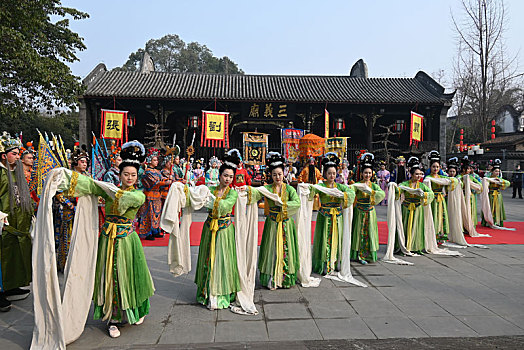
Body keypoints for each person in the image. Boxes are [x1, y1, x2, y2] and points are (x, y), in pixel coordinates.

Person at [57, 140, 155, 338]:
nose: (129, 177)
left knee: (130, 275)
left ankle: (137, 309)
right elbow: (89, 185)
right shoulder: (109, 189)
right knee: (109, 278)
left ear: (137, 177)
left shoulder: (138, 195)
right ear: (119, 174)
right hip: (107, 240)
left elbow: (121, 203)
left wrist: (106, 189)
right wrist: (63, 177)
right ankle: (113, 318)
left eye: (133, 175)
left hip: (127, 241)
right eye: (125, 174)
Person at [195, 151, 240, 309]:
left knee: (223, 260)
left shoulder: (232, 193)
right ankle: (207, 292)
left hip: (224, 230)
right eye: (225, 175)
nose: (227, 179)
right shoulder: (211, 189)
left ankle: (221, 293)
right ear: (219, 175)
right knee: (208, 258)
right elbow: (198, 198)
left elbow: (225, 206)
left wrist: (212, 201)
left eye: (230, 177)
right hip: (209, 227)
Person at [251, 153, 301, 290]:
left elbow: (296, 203)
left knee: (286, 249)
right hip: (272, 223)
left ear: (283, 174)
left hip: (286, 223)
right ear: (271, 176)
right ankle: (272, 277)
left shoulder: (289, 189)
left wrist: (283, 206)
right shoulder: (268, 189)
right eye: (274, 175)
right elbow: (256, 193)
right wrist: (247, 190)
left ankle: (285, 278)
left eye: (279, 174)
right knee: (271, 249)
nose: (277, 177)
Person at [0, 132, 33, 312]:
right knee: (3, 257)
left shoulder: (15, 171)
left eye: (19, 153)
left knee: (15, 254)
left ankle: (12, 285)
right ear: (4, 155)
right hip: (4, 221)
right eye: (15, 154)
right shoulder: (1, 173)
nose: (18, 157)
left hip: (19, 220)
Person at [310, 153, 354, 273]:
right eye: (329, 173)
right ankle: (324, 263)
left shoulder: (340, 187)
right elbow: (311, 191)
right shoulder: (321, 186)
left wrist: (342, 195)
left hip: (337, 216)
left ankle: (336, 261)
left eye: (334, 173)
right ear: (325, 174)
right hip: (324, 216)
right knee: (324, 239)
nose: (331, 175)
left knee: (337, 238)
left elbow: (351, 194)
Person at [54, 144, 89, 272]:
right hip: (70, 211)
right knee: (68, 237)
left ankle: (82, 264)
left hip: (84, 211)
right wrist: (71, 205)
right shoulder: (67, 176)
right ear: (75, 162)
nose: (85, 164)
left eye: (86, 162)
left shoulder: (88, 177)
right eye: (82, 161)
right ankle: (66, 264)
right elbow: (59, 194)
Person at [351, 153, 385, 264]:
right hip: (359, 211)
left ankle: (368, 255)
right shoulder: (357, 185)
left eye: (369, 173)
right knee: (358, 233)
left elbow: (381, 194)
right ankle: (359, 255)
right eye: (365, 172)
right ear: (361, 173)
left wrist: (372, 192)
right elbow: (350, 192)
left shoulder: (373, 186)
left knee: (370, 232)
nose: (367, 175)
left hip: (370, 211)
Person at [396, 157, 434, 253]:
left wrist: (424, 194)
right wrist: (394, 187)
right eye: (416, 174)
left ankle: (415, 247)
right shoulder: (405, 184)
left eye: (420, 174)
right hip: (406, 207)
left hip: (417, 208)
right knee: (404, 226)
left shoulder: (422, 186)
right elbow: (399, 190)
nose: (418, 176)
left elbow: (431, 194)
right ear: (411, 174)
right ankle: (404, 245)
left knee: (417, 226)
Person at [138, 149, 171, 240]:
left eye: (157, 160)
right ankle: (148, 233)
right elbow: (154, 182)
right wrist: (165, 182)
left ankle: (155, 231)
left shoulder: (157, 171)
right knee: (149, 215)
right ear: (149, 161)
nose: (156, 162)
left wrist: (168, 179)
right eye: (154, 160)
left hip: (157, 196)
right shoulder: (147, 171)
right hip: (149, 195)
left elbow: (162, 179)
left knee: (156, 214)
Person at [424, 151, 452, 245]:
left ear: (440, 167)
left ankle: (441, 235)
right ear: (430, 167)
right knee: (434, 215)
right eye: (433, 167)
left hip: (441, 199)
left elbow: (452, 182)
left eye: (437, 167)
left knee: (442, 215)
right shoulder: (428, 178)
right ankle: (433, 235)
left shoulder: (442, 177)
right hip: (433, 200)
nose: (435, 168)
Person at [481, 159, 510, 227]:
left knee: (498, 208)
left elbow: (507, 183)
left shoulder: (499, 179)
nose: (497, 173)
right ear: (492, 171)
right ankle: (488, 221)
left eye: (498, 171)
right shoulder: (488, 178)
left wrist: (499, 182)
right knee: (490, 208)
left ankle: (497, 222)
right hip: (490, 195)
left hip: (498, 195)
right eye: (496, 171)